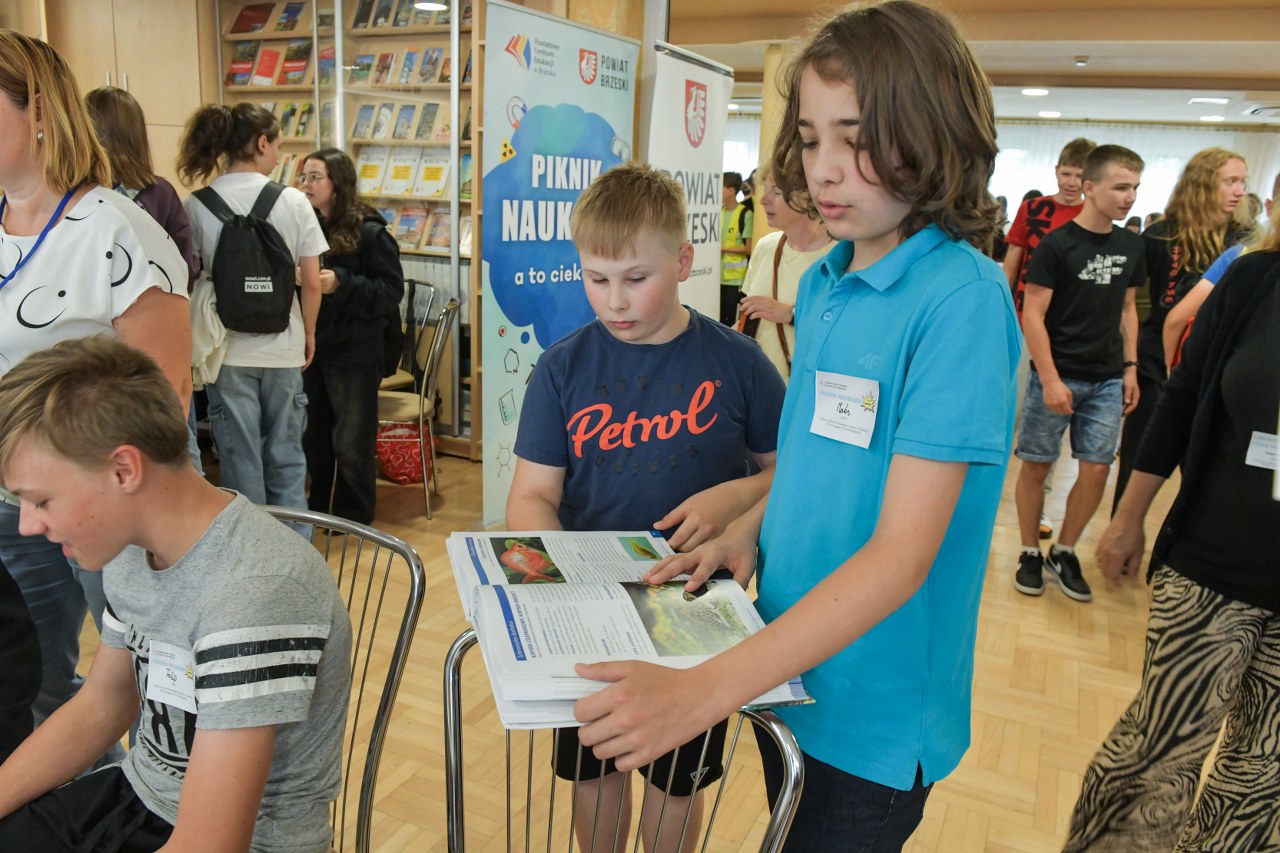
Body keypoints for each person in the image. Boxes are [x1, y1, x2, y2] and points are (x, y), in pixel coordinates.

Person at [571, 3, 1020, 849]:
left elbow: (900, 556)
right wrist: (746, 532)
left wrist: (703, 689)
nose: (826, 170)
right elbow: (811, 463)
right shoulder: (823, 283)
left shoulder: (961, 300)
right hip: (789, 674)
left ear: (932, 133)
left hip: (873, 716)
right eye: (811, 140)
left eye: (857, 139)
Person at [506, 161, 786, 852]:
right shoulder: (562, 368)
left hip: (694, 608)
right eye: (596, 279)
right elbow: (533, 494)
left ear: (684, 261)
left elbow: (792, 473)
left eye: (636, 278)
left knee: (676, 781)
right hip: (589, 611)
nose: (614, 301)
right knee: (593, 769)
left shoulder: (740, 363)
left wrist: (736, 496)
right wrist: (558, 575)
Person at [0, 337, 352, 851]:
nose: (29, 525)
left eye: (42, 500)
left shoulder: (256, 591)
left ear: (124, 470)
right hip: (141, 797)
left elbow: (210, 843)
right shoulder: (128, 547)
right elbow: (102, 705)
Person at [1063, 192, 1280, 852]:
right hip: (1214, 562)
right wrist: (1128, 518)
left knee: (1263, 777)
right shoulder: (1255, 280)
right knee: (1156, 755)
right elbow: (1182, 400)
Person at [0, 30, 190, 762]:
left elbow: (165, 398)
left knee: (140, 682)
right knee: (33, 678)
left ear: (40, 113)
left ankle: (147, 799)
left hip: (105, 506)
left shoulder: (115, 228)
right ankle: (72, 799)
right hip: (12, 504)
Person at [179, 103, 327, 523]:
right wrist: (308, 333)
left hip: (225, 352)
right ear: (262, 143)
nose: (279, 155)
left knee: (240, 466)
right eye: (278, 145)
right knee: (288, 461)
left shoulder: (197, 204)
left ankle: (252, 559)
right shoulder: (294, 201)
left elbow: (189, 278)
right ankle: (295, 555)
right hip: (283, 349)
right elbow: (312, 281)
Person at [1012, 145, 1147, 603]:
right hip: (1057, 372)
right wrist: (1050, 379)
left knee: (1095, 470)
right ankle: (1030, 551)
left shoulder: (1132, 245)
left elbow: (1127, 310)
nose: (1130, 197)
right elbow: (1033, 314)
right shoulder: (1057, 245)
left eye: (1135, 188)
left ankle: (1064, 551)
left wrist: (1131, 368)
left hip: (1107, 378)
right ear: (1090, 187)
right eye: (1121, 187)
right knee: (1036, 465)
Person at [1112, 147, 1248, 511]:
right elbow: (1135, 307)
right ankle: (1120, 533)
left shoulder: (1242, 241)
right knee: (1138, 463)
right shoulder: (1158, 236)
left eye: (1242, 182)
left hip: (1215, 369)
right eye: (1230, 181)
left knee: (1203, 472)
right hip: (1154, 364)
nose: (1239, 191)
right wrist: (1131, 366)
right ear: (1203, 183)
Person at [84, 84, 205, 472]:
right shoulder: (160, 193)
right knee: (175, 444)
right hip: (161, 336)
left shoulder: (78, 198)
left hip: (95, 346)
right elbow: (187, 267)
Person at [298, 149, 404, 525]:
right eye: (303, 177)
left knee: (351, 439)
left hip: (356, 349)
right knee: (314, 435)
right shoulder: (305, 223)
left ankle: (353, 516)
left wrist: (341, 282)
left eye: (315, 177)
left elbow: (390, 291)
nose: (306, 185)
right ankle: (320, 507)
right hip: (314, 345)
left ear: (338, 183)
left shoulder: (370, 231)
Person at [1162, 171, 1278, 370]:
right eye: (1230, 182)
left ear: (1269, 207)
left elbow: (1176, 320)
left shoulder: (1240, 255)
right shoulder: (1240, 256)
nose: (1238, 192)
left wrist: (1170, 375)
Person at [739, 170, 834, 381]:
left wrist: (791, 315)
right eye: (764, 190)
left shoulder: (841, 254)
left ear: (806, 196)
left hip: (809, 386)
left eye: (775, 192)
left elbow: (850, 330)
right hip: (758, 383)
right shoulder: (766, 247)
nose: (763, 200)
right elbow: (747, 315)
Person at [719, 170, 753, 325]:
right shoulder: (719, 212)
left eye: (720, 187)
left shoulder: (745, 214)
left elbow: (747, 248)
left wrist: (722, 249)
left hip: (735, 279)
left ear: (731, 191)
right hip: (718, 277)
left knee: (730, 319)